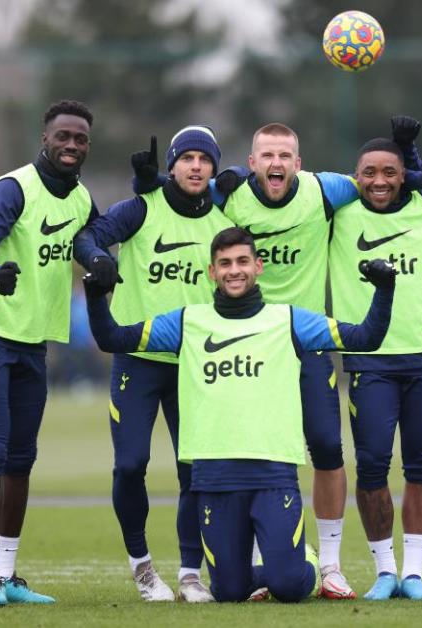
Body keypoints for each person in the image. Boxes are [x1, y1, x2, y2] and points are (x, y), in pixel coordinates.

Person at [84, 227, 397, 603]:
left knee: (288, 586)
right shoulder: (187, 322)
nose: (235, 270)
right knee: (230, 592)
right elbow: (113, 339)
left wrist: (384, 289)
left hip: (273, 475)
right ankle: (268, 564)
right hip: (214, 479)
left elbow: (366, 337)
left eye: (243, 262)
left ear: (258, 267)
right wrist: (95, 295)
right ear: (211, 272)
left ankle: (308, 561)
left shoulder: (290, 320)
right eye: (226, 263)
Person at [133, 124, 360, 598]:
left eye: (285, 155)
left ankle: (331, 563)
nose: (276, 163)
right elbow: (182, 193)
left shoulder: (324, 190)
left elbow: (382, 183)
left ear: (299, 164)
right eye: (265, 155)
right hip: (245, 340)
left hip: (304, 338)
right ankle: (264, 557)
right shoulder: (228, 194)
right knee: (248, 451)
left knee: (326, 447)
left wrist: (418, 172)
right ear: (251, 163)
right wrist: (147, 184)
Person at [74, 127, 233, 602]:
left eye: (205, 159)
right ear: (173, 164)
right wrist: (100, 258)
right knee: (130, 465)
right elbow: (88, 236)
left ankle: (189, 573)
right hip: (138, 360)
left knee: (195, 470)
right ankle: (143, 568)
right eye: (187, 158)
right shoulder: (142, 208)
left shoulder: (223, 218)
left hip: (196, 365)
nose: (196, 166)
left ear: (214, 168)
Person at [0, 100, 98, 607]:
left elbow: (90, 238)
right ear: (45, 138)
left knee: (21, 458)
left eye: (80, 138)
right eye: (64, 136)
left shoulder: (79, 197)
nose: (72, 145)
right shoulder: (14, 188)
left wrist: (98, 259)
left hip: (32, 339)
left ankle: (8, 575)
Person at [326, 127, 422, 601]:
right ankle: (385, 571)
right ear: (356, 178)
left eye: (390, 172)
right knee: (370, 467)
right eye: (369, 173)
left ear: (404, 176)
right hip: (369, 359)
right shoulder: (338, 213)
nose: (380, 181)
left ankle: (414, 573)